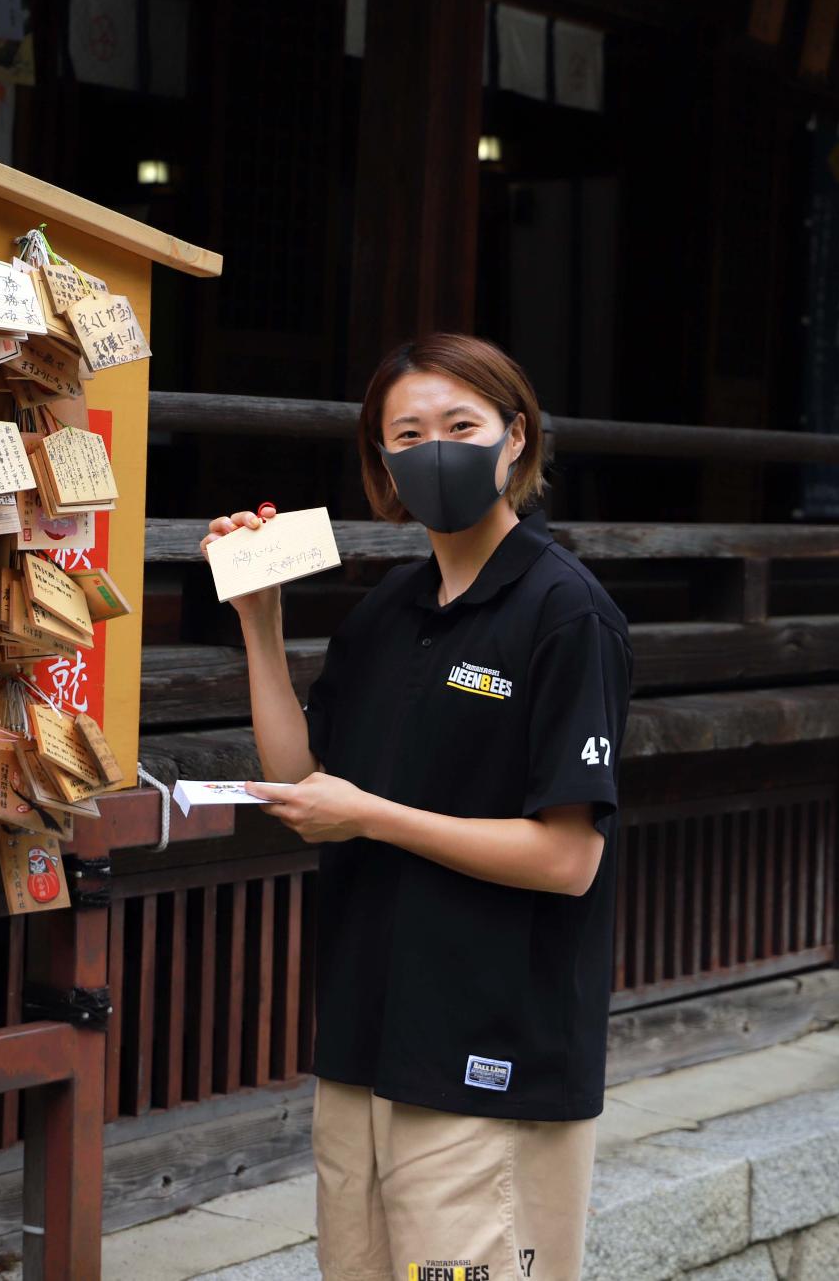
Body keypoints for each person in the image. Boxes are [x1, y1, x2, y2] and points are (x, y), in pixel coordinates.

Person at [199, 334, 632, 1281]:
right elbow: (305, 778)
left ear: (514, 440)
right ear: (384, 462)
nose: (436, 448)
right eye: (409, 432)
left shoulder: (567, 614)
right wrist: (260, 623)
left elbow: (569, 857)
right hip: (366, 1037)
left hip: (493, 1053)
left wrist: (373, 816)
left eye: (461, 425)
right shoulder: (390, 610)